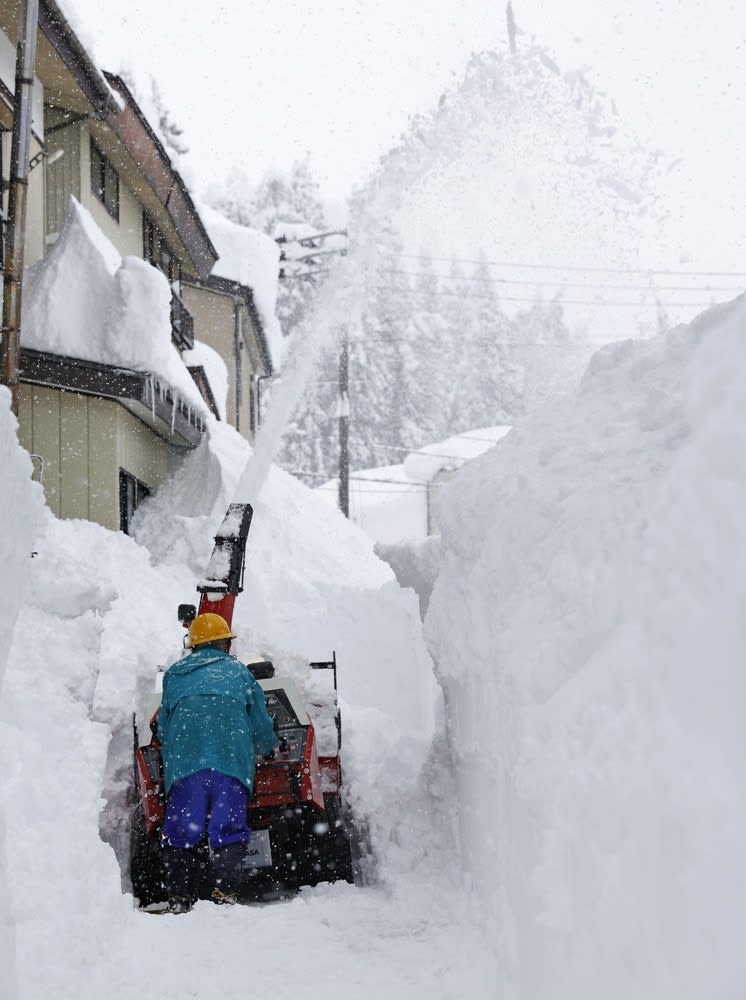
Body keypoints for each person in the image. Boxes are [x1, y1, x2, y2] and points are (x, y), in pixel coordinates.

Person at [157, 611, 277, 913]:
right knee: (229, 829)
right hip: (230, 765)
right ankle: (225, 893)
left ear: (193, 645)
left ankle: (180, 897)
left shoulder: (174, 675)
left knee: (182, 832)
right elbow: (261, 726)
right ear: (225, 643)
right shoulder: (239, 673)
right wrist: (267, 748)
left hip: (186, 768)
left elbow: (163, 728)